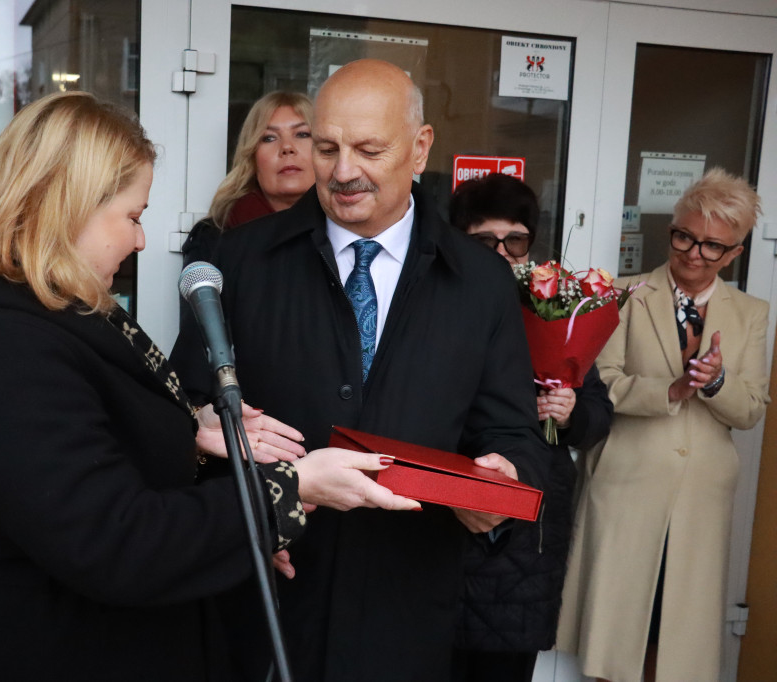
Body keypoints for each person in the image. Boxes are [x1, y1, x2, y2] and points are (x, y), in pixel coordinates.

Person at [0, 91, 420, 681]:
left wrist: (193, 437)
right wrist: (284, 492)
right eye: (133, 216)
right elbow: (112, 539)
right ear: (68, 207)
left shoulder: (51, 311)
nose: (139, 241)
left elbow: (84, 450)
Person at [171, 59, 551, 682]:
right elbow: (185, 412)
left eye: (369, 149)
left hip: (406, 606)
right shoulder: (243, 260)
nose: (343, 171)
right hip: (269, 598)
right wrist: (235, 513)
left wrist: (503, 482)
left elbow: (512, 434)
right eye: (327, 148)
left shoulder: (480, 281)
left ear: (420, 148)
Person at [556, 168, 770, 682]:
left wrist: (716, 383)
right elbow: (600, 382)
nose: (694, 253)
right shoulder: (623, 293)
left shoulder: (751, 313)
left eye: (713, 246)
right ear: (671, 230)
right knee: (616, 628)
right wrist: (669, 390)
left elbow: (752, 409)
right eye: (684, 236)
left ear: (735, 253)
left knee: (676, 637)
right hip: (626, 483)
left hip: (702, 496)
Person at [448, 173, 613, 682]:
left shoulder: (556, 311)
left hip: (530, 531)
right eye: (485, 240)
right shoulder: (440, 307)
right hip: (457, 512)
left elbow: (598, 415)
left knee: (505, 664)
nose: (502, 252)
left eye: (514, 240)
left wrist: (570, 413)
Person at [181, 91, 314, 266]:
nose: (287, 147)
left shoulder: (349, 233)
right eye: (269, 138)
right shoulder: (213, 238)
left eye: (302, 134)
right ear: (252, 157)